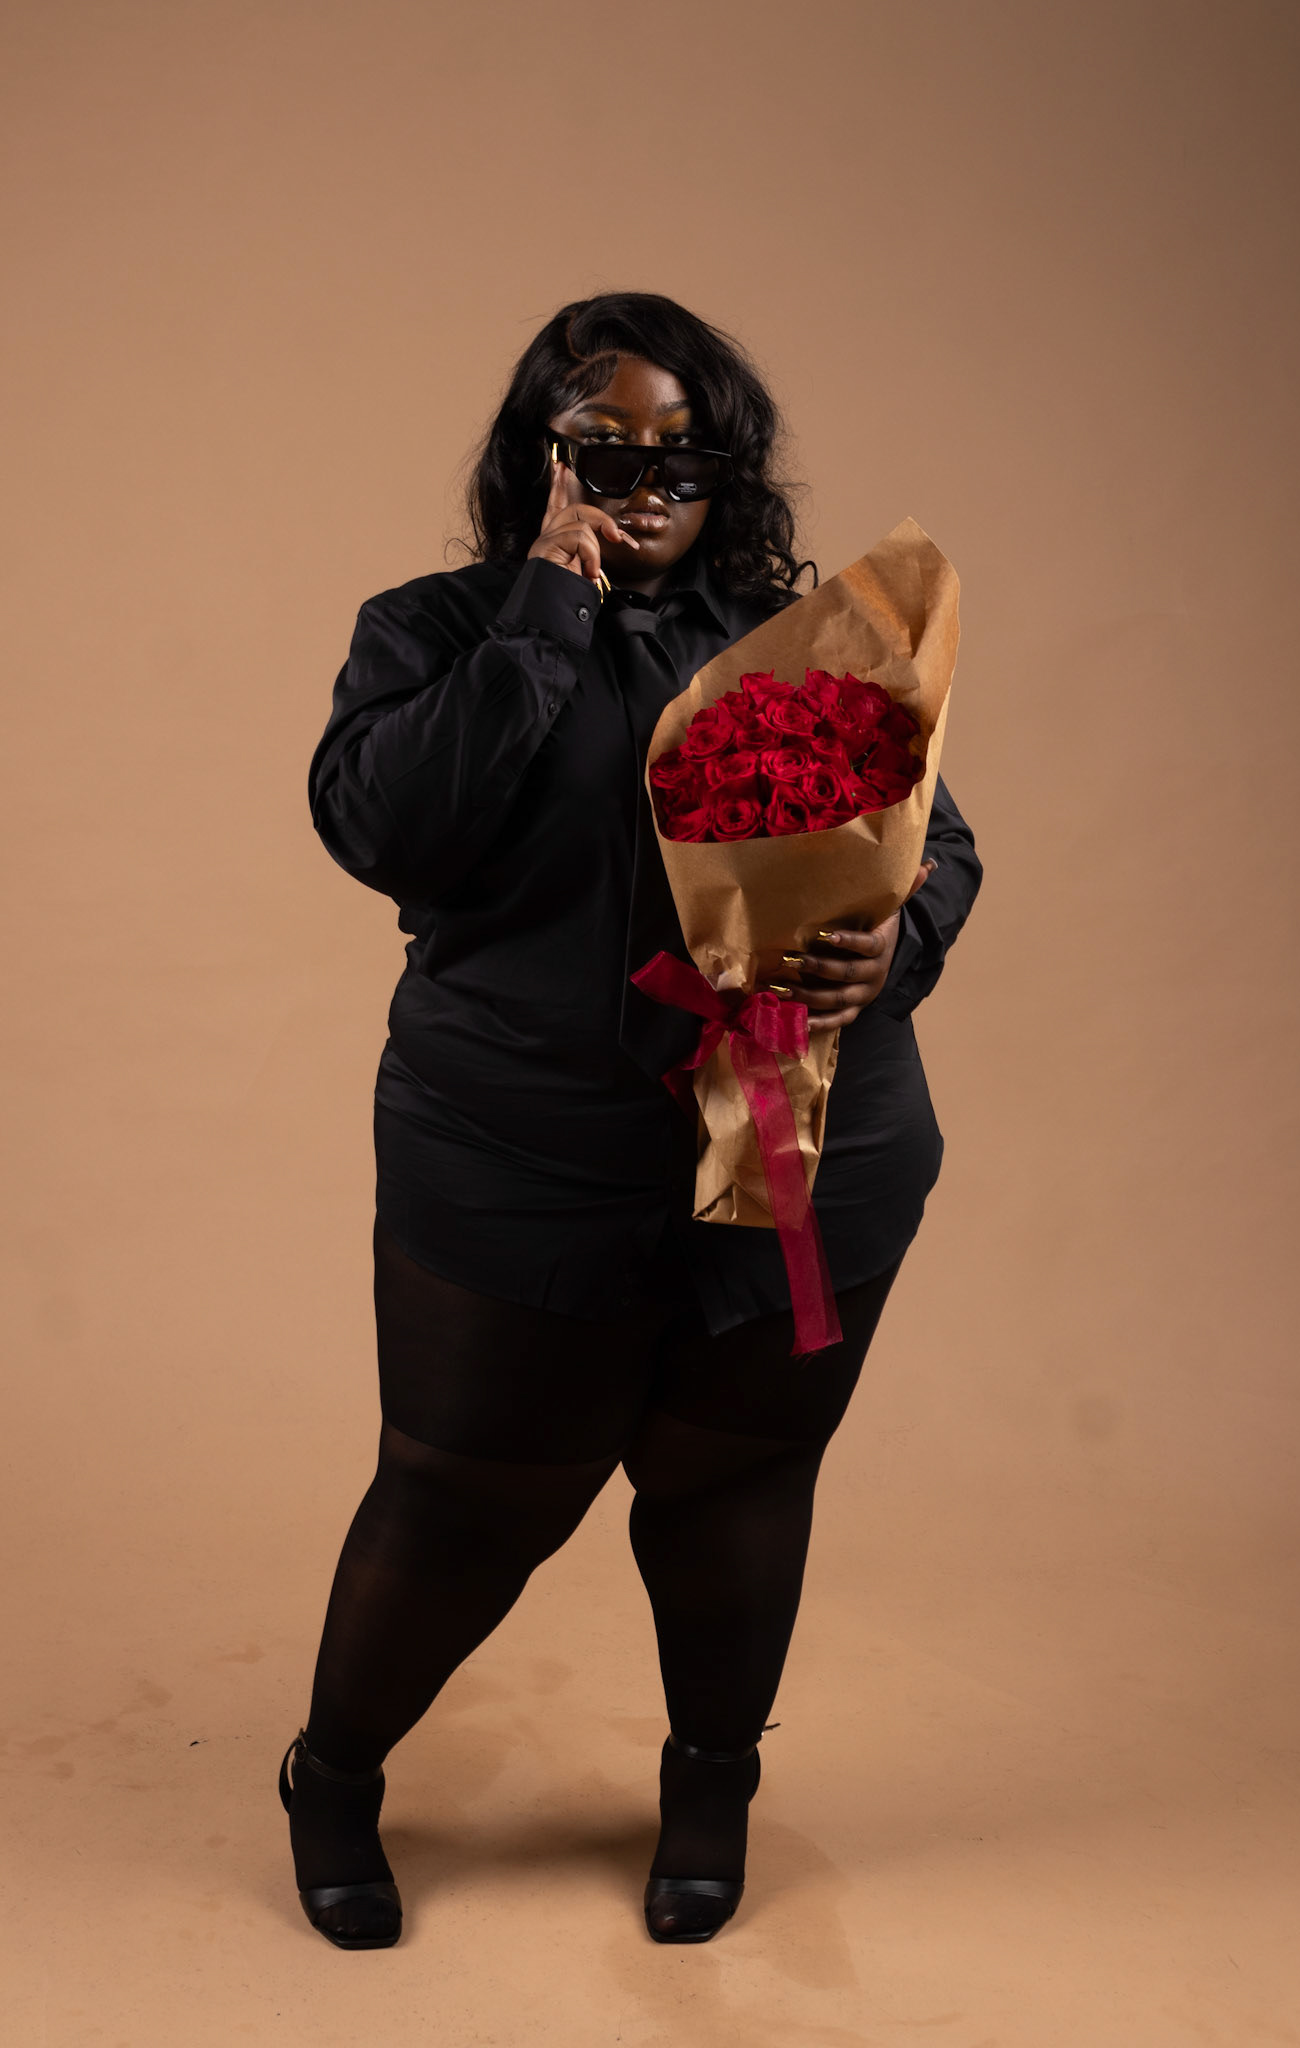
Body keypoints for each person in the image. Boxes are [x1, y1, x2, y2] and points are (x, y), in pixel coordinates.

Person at [280, 291, 982, 1951]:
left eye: (687, 459)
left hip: (801, 1134)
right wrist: (543, 605)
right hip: (520, 1144)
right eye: (605, 453)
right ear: (540, 458)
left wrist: (896, 944)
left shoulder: (801, 636)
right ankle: (332, 1774)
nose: (648, 487)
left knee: (736, 1481)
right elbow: (392, 830)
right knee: (465, 1496)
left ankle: (710, 1780)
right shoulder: (435, 630)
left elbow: (932, 842)